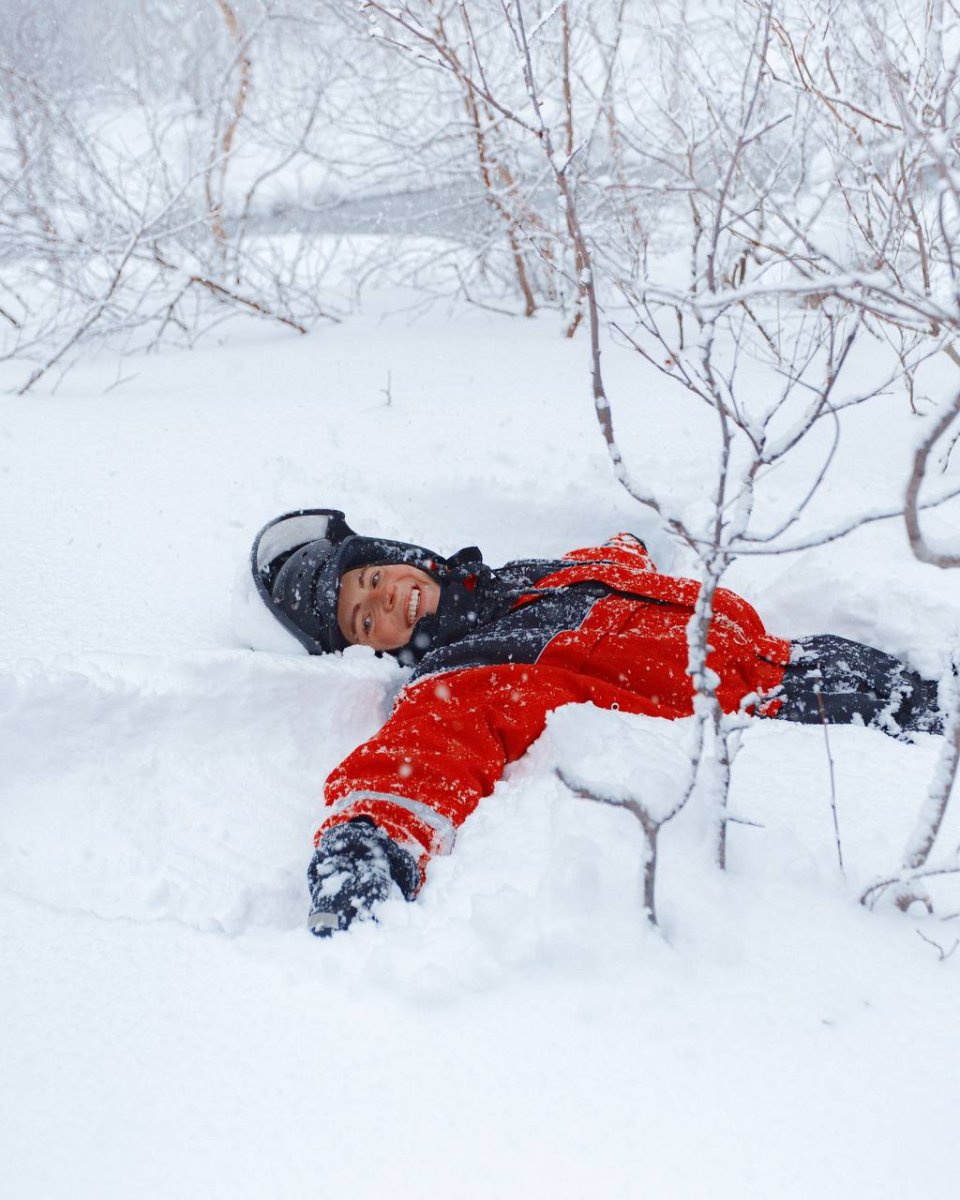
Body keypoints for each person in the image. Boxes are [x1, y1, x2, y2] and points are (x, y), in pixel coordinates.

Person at [244, 508, 945, 937]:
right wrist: (360, 852)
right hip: (778, 725)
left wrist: (629, 543)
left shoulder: (519, 579)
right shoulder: (462, 675)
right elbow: (414, 766)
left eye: (371, 578)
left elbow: (604, 564)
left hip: (801, 663)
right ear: (371, 650)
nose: (387, 599)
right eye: (365, 620)